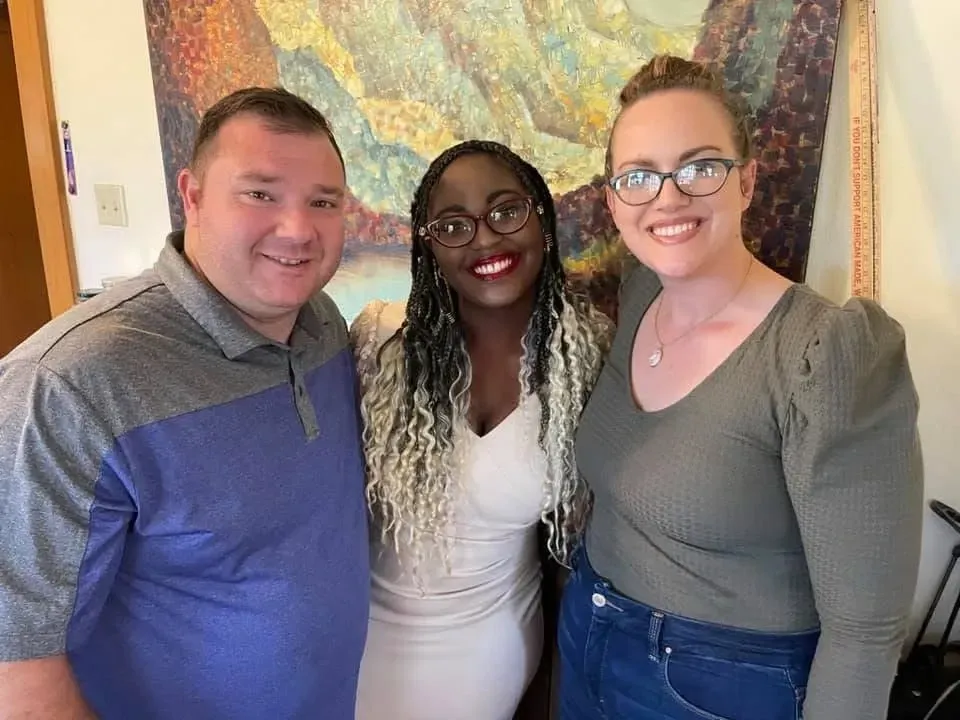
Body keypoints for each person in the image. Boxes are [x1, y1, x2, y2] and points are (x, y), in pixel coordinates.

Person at [559, 55, 924, 720]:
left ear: (747, 180)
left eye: (699, 167)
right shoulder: (640, 295)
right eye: (639, 176)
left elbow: (865, 634)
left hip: (715, 686)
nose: (668, 197)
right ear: (614, 201)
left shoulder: (826, 353)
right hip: (587, 633)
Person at [0, 87, 370, 719]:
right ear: (192, 196)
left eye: (323, 202)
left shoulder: (322, 325)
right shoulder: (67, 385)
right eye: (260, 194)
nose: (297, 230)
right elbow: (17, 667)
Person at [350, 139, 613, 720]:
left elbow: (577, 551)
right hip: (354, 641)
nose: (485, 239)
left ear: (541, 220)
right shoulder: (377, 341)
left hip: (488, 652)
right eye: (453, 225)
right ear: (429, 246)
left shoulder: (589, 361)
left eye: (505, 211)